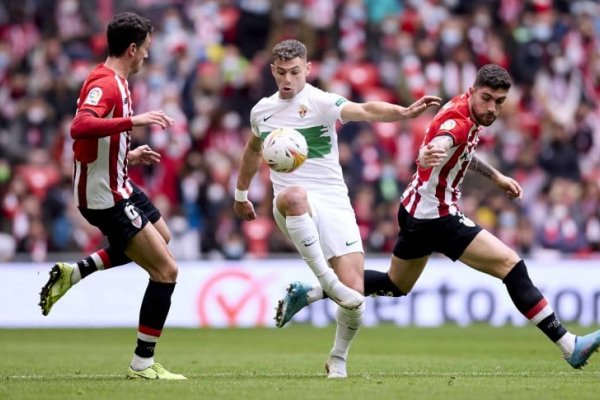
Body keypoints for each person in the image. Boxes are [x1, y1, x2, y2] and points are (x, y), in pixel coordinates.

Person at [275, 64, 600, 370]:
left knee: (395, 284)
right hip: (437, 216)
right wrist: (428, 154)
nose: (492, 108)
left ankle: (315, 290)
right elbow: (443, 142)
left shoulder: (465, 108)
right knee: (511, 266)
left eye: (499, 102)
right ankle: (568, 344)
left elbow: (462, 152)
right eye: (486, 99)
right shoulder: (457, 123)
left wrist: (497, 177)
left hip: (414, 210)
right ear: (473, 91)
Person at [233, 39, 441, 378]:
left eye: (295, 72)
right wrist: (241, 194)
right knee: (295, 195)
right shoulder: (262, 111)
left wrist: (402, 112)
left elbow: (366, 110)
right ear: (272, 71)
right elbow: (252, 151)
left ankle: (338, 358)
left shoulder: (321, 102)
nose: (288, 80)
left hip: (333, 200)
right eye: (282, 73)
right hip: (291, 204)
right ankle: (326, 284)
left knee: (355, 294)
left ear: (308, 70)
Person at [38, 12, 186, 380]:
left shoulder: (111, 80)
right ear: (132, 48)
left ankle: (76, 272)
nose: (147, 56)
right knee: (166, 271)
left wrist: (126, 153)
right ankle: (143, 364)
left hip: (118, 181)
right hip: (105, 195)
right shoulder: (107, 84)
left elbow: (95, 139)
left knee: (163, 239)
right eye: (146, 49)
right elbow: (80, 127)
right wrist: (133, 123)